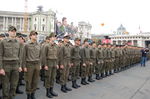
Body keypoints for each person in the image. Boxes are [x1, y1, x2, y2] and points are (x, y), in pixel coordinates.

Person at [0, 26, 22, 99]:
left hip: (15, 65)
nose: (13, 32)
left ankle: (11, 97)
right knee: (5, 85)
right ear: (8, 32)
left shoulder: (18, 42)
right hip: (6, 65)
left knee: (14, 85)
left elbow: (20, 55)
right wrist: (1, 68)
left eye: (14, 31)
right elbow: (0, 55)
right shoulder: (3, 42)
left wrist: (19, 66)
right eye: (12, 31)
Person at [22, 31, 41, 99]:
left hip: (37, 64)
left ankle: (33, 93)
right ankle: (28, 95)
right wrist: (24, 66)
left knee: (35, 80)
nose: (35, 36)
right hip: (29, 65)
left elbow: (40, 56)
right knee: (28, 81)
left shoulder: (38, 44)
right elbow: (23, 56)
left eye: (36, 35)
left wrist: (40, 64)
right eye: (33, 35)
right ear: (30, 36)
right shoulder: (26, 45)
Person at [42, 33, 58, 98]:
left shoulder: (56, 46)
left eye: (55, 37)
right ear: (50, 38)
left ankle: (51, 90)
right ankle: (47, 92)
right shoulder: (46, 46)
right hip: (48, 63)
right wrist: (45, 65)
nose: (54, 38)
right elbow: (44, 56)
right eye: (53, 37)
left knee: (53, 77)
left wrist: (56, 64)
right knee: (48, 77)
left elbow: (57, 56)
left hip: (54, 63)